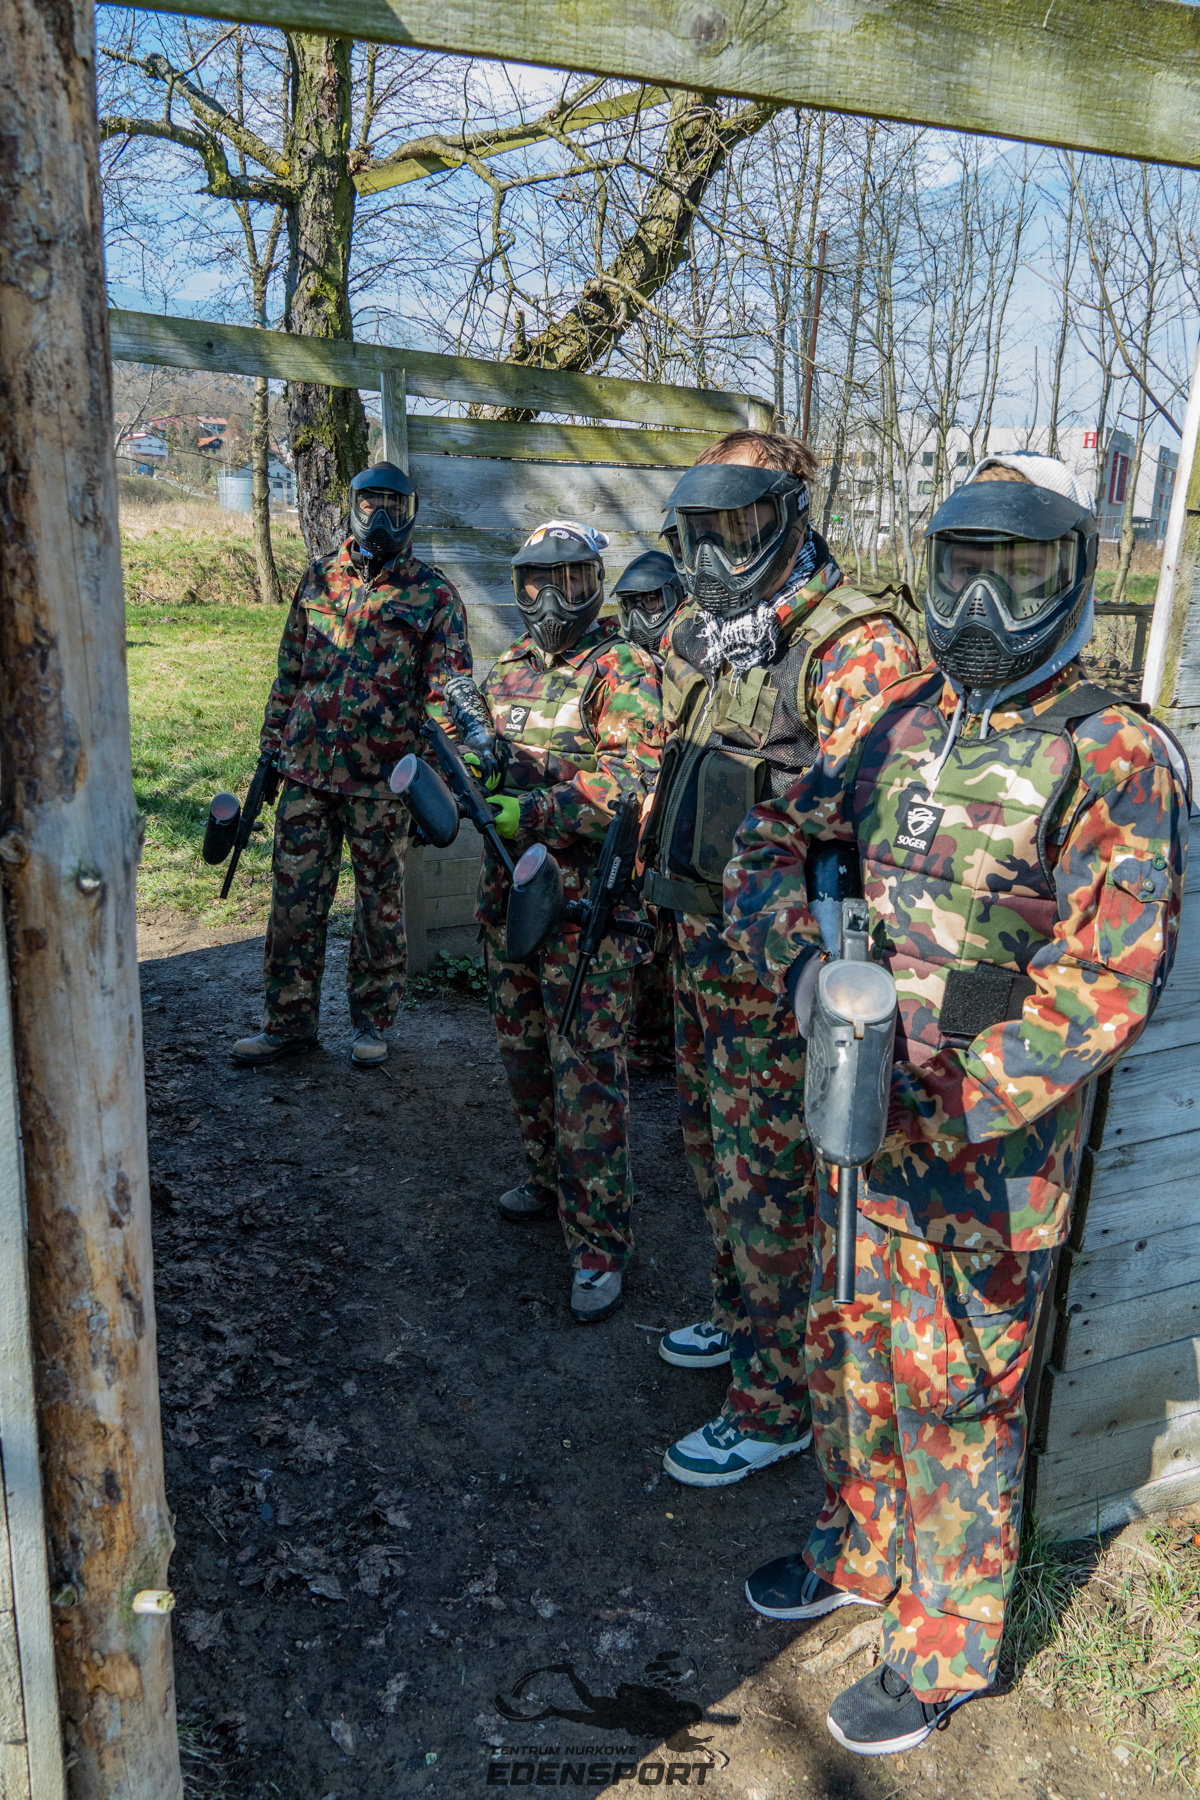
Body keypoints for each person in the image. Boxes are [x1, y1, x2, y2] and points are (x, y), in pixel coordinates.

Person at [723, 457, 1189, 1754]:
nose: (983, 605)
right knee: (852, 1354)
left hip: (985, 1160)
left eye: (1017, 574)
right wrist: (809, 977)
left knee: (960, 1397)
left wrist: (953, 1088)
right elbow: (768, 848)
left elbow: (1108, 982)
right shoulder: (898, 719)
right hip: (854, 1121)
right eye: (963, 571)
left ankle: (948, 1643)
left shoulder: (1114, 755)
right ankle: (863, 1549)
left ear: (1073, 576)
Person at [641, 429, 920, 1488]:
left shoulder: (852, 646)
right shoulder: (729, 638)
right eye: (702, 532)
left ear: (793, 517)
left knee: (770, 1195)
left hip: (779, 976)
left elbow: (873, 826)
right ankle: (740, 1325)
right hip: (703, 950)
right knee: (715, 1164)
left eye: (742, 526)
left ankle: (775, 1405)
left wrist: (811, 974)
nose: (718, 554)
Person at [475, 521, 663, 1323]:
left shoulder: (623, 668)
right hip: (511, 900)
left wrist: (534, 809)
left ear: (595, 584)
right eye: (537, 582)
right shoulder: (507, 669)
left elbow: (634, 783)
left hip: (589, 914)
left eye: (572, 581)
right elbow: (484, 758)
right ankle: (547, 1179)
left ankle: (598, 1246)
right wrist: (470, 772)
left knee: (586, 1078)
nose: (553, 599)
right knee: (523, 1058)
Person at [231, 462, 472, 1070]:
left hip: (384, 783)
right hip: (306, 771)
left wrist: (433, 784)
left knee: (377, 911)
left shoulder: (434, 594)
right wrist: (270, 751)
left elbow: (445, 697)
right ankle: (288, 1025)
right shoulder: (319, 577)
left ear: (410, 511)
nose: (381, 516)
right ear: (353, 506)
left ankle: (372, 1022)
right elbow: (289, 672)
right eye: (370, 504)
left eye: (394, 504)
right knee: (294, 904)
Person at [612, 550, 688, 1072]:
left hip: (679, 805)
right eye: (631, 605)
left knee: (667, 921)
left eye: (651, 603)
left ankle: (660, 1038)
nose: (641, 616)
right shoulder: (624, 663)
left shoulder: (696, 653)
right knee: (641, 916)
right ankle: (644, 1033)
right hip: (639, 803)